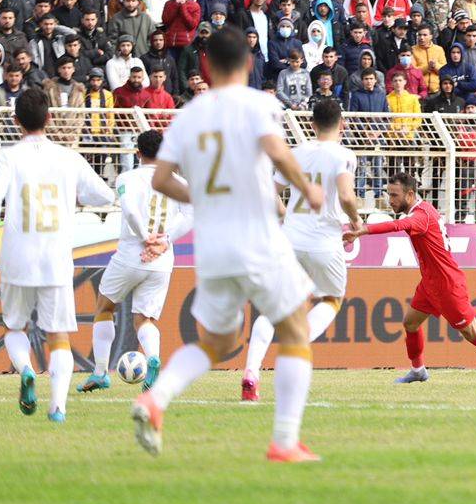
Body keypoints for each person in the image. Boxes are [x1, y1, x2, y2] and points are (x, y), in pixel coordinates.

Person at [129, 27, 326, 462]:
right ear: (249, 63)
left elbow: (162, 180)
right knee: (295, 329)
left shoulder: (190, 115)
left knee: (216, 343)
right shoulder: (258, 103)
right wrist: (307, 190)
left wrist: (199, 196)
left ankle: (154, 399)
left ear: (207, 67)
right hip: (256, 235)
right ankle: (285, 441)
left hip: (213, 246)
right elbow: (276, 149)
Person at [0, 88, 114, 422]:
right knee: (58, 337)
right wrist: (77, 198)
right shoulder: (68, 157)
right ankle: (58, 407)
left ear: (15, 121)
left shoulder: (9, 156)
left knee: (14, 328)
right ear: (50, 118)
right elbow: (103, 194)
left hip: (17, 256)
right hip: (55, 257)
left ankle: (26, 369)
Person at [344, 173, 476, 386]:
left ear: (410, 194)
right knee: (410, 323)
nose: (390, 200)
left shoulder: (420, 217)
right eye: (388, 194)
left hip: (447, 285)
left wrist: (364, 230)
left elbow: (397, 226)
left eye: (394, 195)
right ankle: (418, 370)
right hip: (430, 283)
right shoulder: (422, 210)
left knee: (471, 333)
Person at [241, 97, 362, 401]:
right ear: (342, 125)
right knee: (331, 299)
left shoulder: (295, 152)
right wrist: (356, 220)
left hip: (291, 239)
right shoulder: (344, 154)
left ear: (311, 124)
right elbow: (346, 196)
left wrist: (284, 214)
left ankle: (251, 373)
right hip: (325, 242)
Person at [79, 129, 191, 394]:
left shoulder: (127, 177)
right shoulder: (180, 183)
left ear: (137, 153)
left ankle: (100, 373)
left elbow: (129, 210)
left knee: (105, 308)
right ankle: (152, 357)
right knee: (145, 318)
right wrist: (163, 241)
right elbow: (190, 216)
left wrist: (146, 238)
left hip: (131, 254)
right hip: (162, 260)